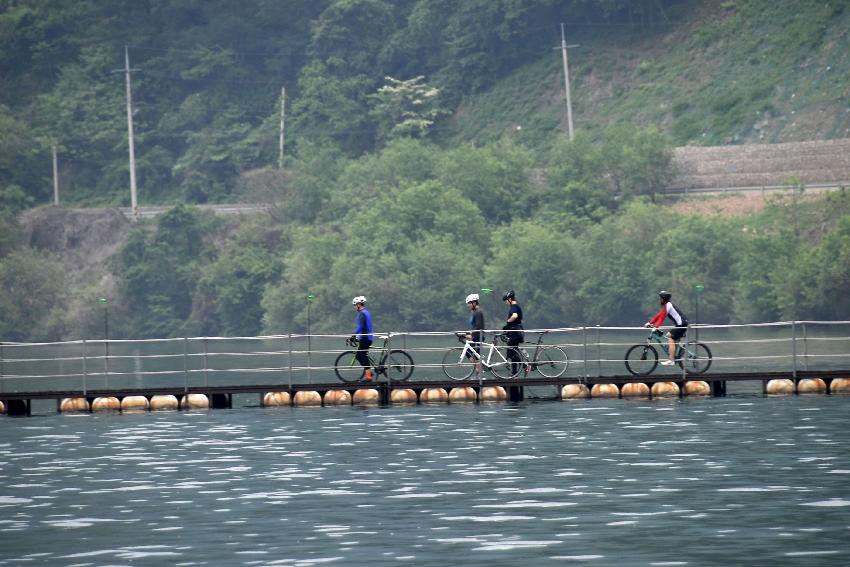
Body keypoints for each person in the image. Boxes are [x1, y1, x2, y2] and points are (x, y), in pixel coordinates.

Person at [646, 290, 689, 366]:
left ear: (664, 298)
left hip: (681, 325)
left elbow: (662, 318)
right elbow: (659, 315)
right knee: (669, 335)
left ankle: (671, 360)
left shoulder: (668, 305)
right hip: (681, 324)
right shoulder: (667, 305)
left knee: (671, 339)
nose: (660, 300)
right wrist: (650, 323)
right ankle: (673, 355)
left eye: (661, 298)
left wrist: (655, 327)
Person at [350, 296, 374, 381]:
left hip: (365, 338)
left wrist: (353, 335)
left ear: (359, 304)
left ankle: (368, 375)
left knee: (362, 355)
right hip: (366, 337)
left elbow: (361, 326)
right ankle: (369, 372)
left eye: (355, 305)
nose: (355, 307)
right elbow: (364, 327)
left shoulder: (362, 314)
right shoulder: (366, 312)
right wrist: (357, 337)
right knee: (358, 356)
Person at [502, 289, 524, 376]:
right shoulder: (516, 306)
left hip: (515, 333)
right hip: (515, 332)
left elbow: (515, 316)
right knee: (513, 352)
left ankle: (525, 366)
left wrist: (508, 321)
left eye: (506, 301)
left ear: (510, 299)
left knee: (510, 353)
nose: (506, 303)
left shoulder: (514, 307)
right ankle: (514, 372)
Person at [465, 293, 485, 373]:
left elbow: (479, 326)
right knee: (474, 355)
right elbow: (475, 326)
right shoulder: (476, 312)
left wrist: (471, 335)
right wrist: (469, 333)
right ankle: (478, 370)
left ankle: (479, 370)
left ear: (474, 303)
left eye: (469, 303)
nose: (468, 305)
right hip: (475, 336)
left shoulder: (478, 312)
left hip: (477, 337)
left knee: (470, 353)